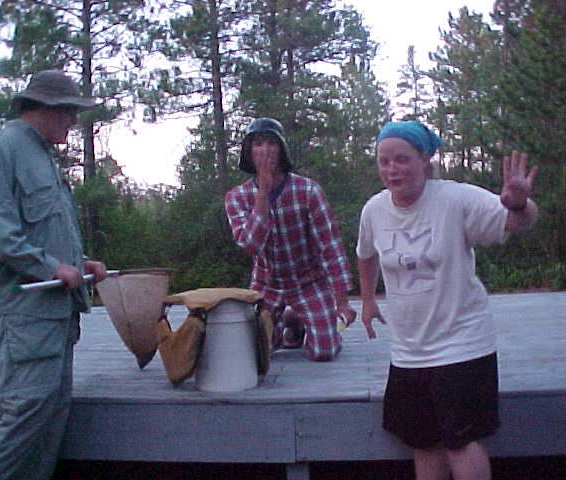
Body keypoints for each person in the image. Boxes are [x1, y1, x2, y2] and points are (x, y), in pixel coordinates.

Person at [356, 120, 538, 480]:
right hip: (408, 351)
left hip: (462, 345)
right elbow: (366, 253)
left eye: (402, 159)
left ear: (424, 159)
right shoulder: (374, 210)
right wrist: (367, 298)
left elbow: (519, 222)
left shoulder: (455, 199)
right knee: (423, 443)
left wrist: (520, 205)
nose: (392, 169)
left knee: (460, 442)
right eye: (384, 161)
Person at [0, 70, 108, 480]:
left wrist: (80, 264)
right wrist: (49, 267)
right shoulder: (0, 151)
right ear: (44, 108)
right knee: (24, 419)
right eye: (68, 111)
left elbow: (42, 232)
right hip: (21, 317)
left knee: (47, 421)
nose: (73, 121)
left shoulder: (40, 156)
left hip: (51, 317)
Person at [225, 117, 356, 361]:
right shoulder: (236, 197)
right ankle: (287, 322)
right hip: (267, 284)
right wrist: (263, 194)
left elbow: (331, 248)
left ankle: (303, 321)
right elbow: (249, 244)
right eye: (258, 144)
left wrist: (342, 302)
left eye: (271, 143)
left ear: (281, 150)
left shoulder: (308, 190)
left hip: (309, 282)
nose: (265, 151)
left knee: (324, 351)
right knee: (255, 352)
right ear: (249, 153)